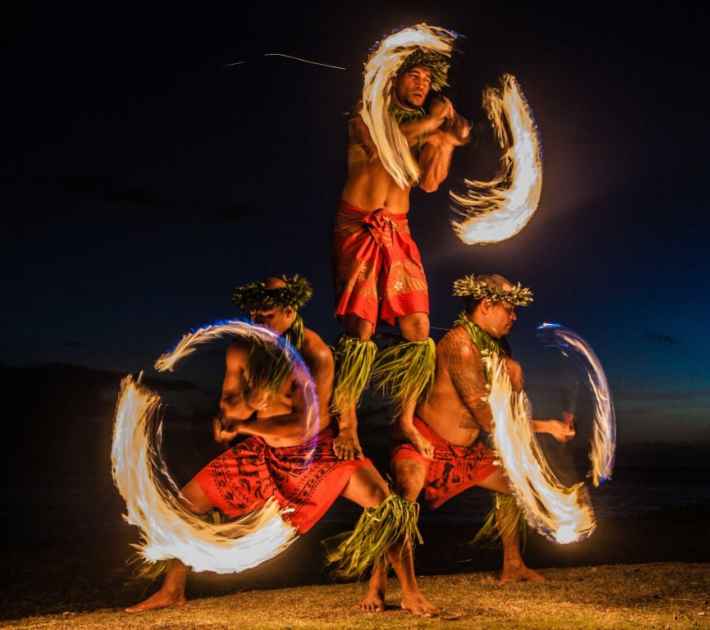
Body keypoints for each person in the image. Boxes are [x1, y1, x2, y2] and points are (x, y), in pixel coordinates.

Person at [126, 275, 431, 615]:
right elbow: (229, 403)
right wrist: (240, 409)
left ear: (289, 311)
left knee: (386, 506)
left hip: (317, 453)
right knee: (186, 503)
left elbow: (303, 426)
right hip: (264, 450)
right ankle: (172, 590)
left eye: (267, 315)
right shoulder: (243, 349)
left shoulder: (315, 353)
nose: (259, 322)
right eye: (254, 315)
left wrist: (244, 423)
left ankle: (410, 593)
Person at [362, 274, 577, 610]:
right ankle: (386, 587)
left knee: (513, 484)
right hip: (426, 443)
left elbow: (507, 405)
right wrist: (546, 426)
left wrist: (516, 379)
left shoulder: (496, 346)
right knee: (402, 501)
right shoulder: (460, 345)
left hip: (465, 452)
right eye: (509, 308)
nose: (515, 316)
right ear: (486, 306)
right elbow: (487, 417)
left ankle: (513, 564)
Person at [331, 47, 471, 463]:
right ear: (393, 79)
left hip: (400, 231)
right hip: (359, 227)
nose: (422, 84)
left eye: (428, 80)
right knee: (360, 330)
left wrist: (447, 141)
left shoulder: (423, 129)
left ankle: (405, 419)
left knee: (419, 329)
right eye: (414, 76)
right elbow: (387, 145)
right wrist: (435, 122)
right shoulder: (366, 115)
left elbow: (428, 183)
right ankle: (348, 422)